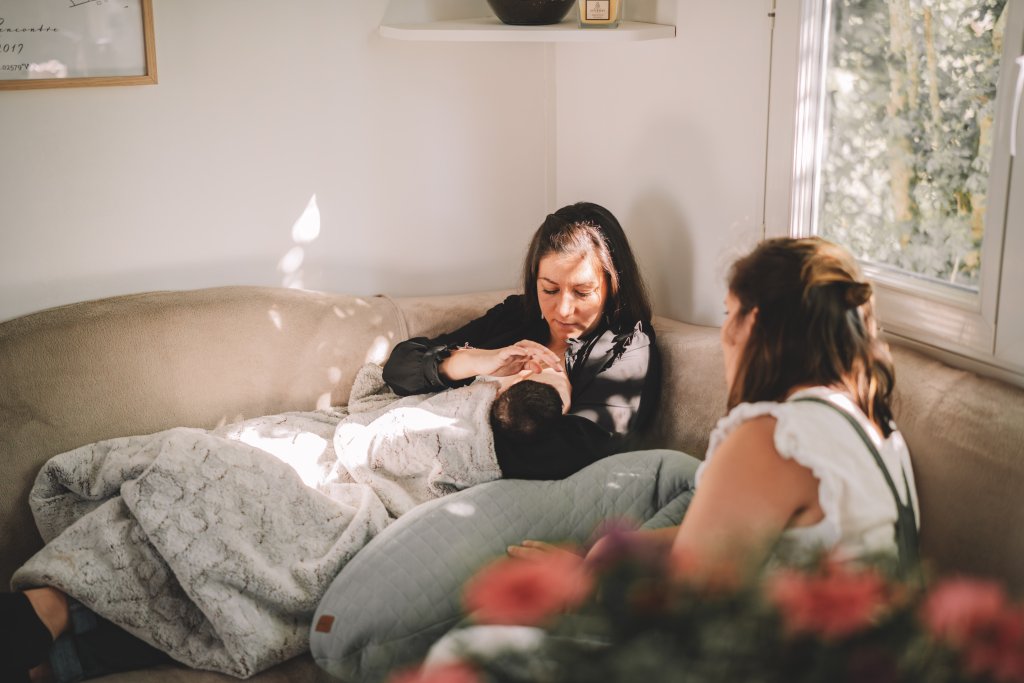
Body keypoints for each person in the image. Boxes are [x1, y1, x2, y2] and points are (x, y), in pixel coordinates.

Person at [425, 236, 920, 672]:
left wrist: (577, 582)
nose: (725, 334)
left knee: (465, 651)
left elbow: (691, 601)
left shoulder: (773, 436)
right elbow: (728, 543)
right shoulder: (872, 426)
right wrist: (606, 555)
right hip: (841, 657)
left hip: (770, 662)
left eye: (727, 314)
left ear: (754, 323)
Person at [383, 201, 660, 480]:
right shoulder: (518, 315)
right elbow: (398, 370)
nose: (564, 310)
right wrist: (478, 361)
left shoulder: (626, 347)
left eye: (582, 292)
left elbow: (576, 451)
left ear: (612, 285)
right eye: (549, 290)